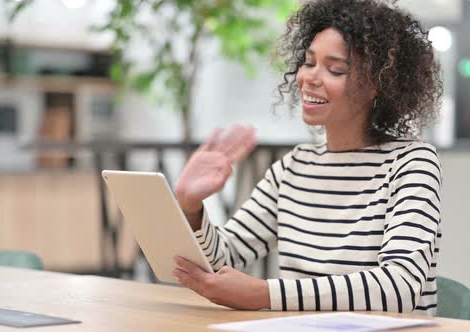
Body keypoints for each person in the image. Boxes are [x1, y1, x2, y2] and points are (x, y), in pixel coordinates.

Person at [172, 0, 443, 315]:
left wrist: (264, 294)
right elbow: (225, 260)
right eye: (308, 62)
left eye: (335, 69)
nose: (309, 78)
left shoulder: (411, 163)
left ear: (375, 85)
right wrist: (190, 208)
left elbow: (399, 288)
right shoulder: (293, 167)